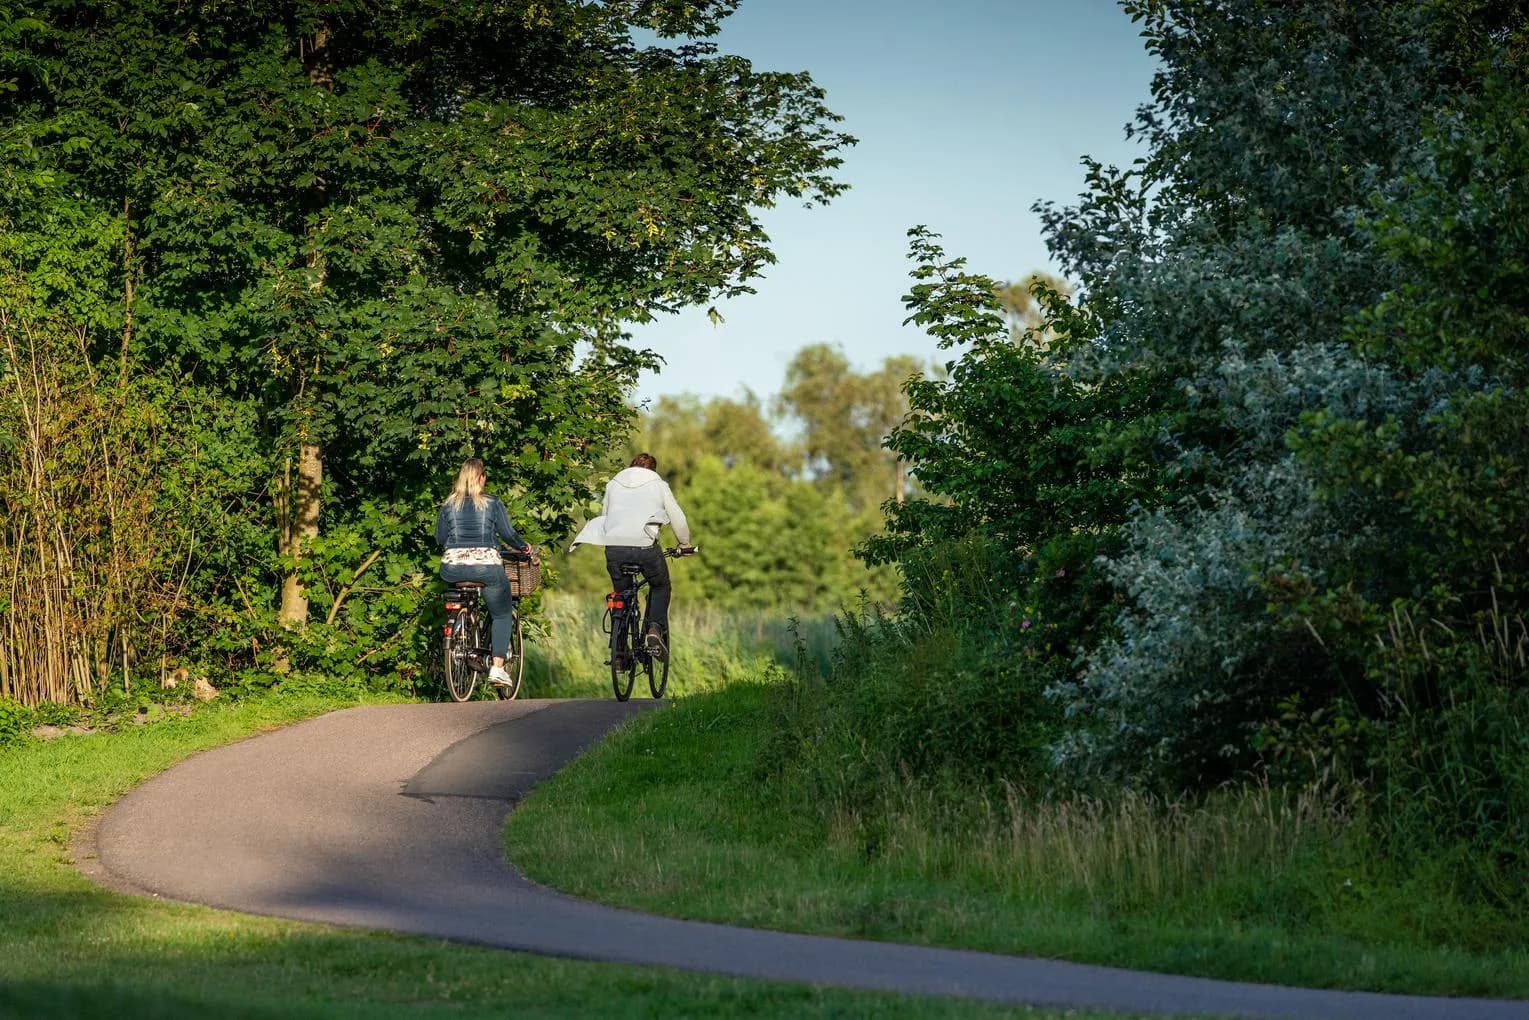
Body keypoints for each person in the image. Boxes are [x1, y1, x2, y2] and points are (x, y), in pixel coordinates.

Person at [576, 452, 691, 661]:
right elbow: (677, 516)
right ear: (652, 470)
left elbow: (606, 515)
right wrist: (684, 543)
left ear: (631, 467)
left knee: (622, 595)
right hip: (645, 548)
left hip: (614, 548)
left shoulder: (613, 484)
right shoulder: (658, 484)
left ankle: (619, 652)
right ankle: (654, 629)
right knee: (660, 586)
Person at [435, 457, 532, 687]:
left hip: (451, 569)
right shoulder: (492, 503)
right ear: (481, 478)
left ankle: (463, 627)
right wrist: (524, 547)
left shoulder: (448, 505)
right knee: (501, 613)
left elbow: (440, 538)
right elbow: (508, 535)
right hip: (486, 568)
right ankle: (497, 668)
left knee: (460, 592)